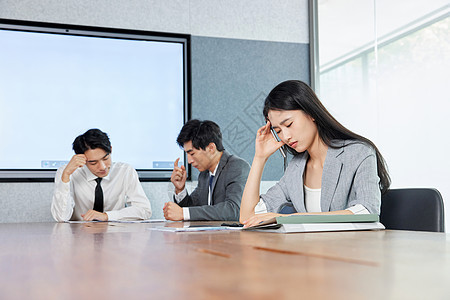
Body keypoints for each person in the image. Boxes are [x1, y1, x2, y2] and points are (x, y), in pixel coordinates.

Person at [240, 80, 390, 227]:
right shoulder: (296, 168)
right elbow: (248, 217)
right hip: (310, 250)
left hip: (351, 248)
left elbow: (367, 211)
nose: (285, 136)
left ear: (311, 113)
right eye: (278, 131)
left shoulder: (358, 153)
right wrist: (259, 158)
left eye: (289, 124)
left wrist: (289, 218)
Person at [51, 129, 152, 222]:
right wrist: (66, 176)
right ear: (82, 159)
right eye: (93, 163)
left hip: (115, 236)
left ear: (111, 150)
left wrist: (107, 216)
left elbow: (144, 210)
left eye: (106, 158)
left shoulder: (125, 171)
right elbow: (61, 217)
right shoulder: (68, 173)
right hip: (79, 236)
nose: (102, 167)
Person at [164, 120, 250, 221]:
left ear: (211, 148)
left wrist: (183, 213)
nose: (189, 161)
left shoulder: (237, 167)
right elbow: (193, 208)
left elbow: (233, 210)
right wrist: (180, 189)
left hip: (232, 236)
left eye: (192, 154)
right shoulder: (204, 174)